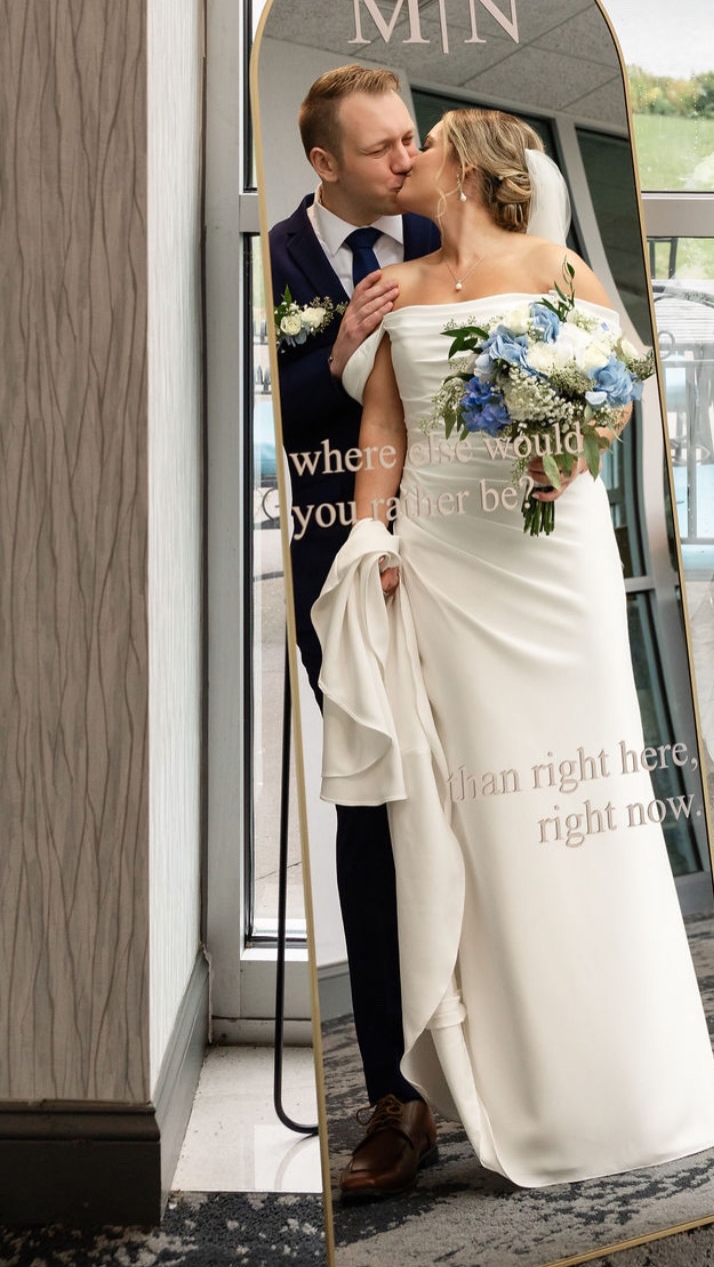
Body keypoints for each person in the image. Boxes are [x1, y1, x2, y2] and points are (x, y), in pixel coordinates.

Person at [311, 108, 714, 1187]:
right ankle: (508, 1072)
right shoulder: (396, 291)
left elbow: (620, 392)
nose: (412, 156)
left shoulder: (556, 265)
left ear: (471, 167)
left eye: (428, 141)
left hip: (553, 568)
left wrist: (563, 454)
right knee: (484, 817)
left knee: (578, 804)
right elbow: (386, 432)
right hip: (447, 565)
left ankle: (619, 1074)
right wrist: (370, 535)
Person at [267, 63, 441, 1200]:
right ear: (324, 164)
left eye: (411, 137)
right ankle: (392, 1096)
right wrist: (331, 362)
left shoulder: (447, 230)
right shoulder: (268, 261)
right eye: (380, 148)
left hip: (454, 569)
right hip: (335, 573)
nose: (406, 160)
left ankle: (486, 1075)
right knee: (374, 822)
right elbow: (250, 412)